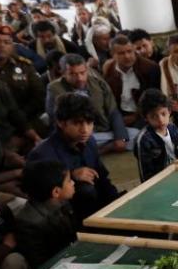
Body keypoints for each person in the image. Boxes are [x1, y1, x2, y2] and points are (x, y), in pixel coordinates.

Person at [28, 94, 119, 222]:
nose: (85, 130)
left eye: (89, 123)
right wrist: (70, 175)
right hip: (63, 217)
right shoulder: (42, 154)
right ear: (61, 123)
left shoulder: (90, 142)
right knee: (85, 190)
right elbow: (44, 198)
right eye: (77, 123)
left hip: (96, 208)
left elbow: (102, 177)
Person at [46, 54, 134, 153]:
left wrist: (120, 137)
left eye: (82, 73)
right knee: (67, 145)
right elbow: (56, 120)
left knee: (135, 135)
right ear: (63, 73)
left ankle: (93, 149)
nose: (80, 78)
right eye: (73, 74)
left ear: (87, 70)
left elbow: (113, 111)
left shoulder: (97, 82)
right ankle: (104, 149)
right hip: (78, 134)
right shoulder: (54, 89)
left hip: (104, 131)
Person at [14, 160, 77, 269]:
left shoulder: (62, 201)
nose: (73, 183)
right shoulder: (29, 222)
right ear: (56, 192)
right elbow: (40, 263)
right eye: (69, 181)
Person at [101, 34, 162, 129]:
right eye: (121, 53)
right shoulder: (109, 70)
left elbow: (154, 100)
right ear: (112, 55)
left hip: (145, 115)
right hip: (119, 115)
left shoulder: (149, 68)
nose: (127, 56)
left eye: (130, 51)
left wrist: (135, 116)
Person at [133, 89, 178, 182]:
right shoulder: (143, 140)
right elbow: (146, 175)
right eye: (154, 116)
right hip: (161, 180)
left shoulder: (174, 129)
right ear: (146, 118)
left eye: (163, 114)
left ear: (169, 111)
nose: (161, 120)